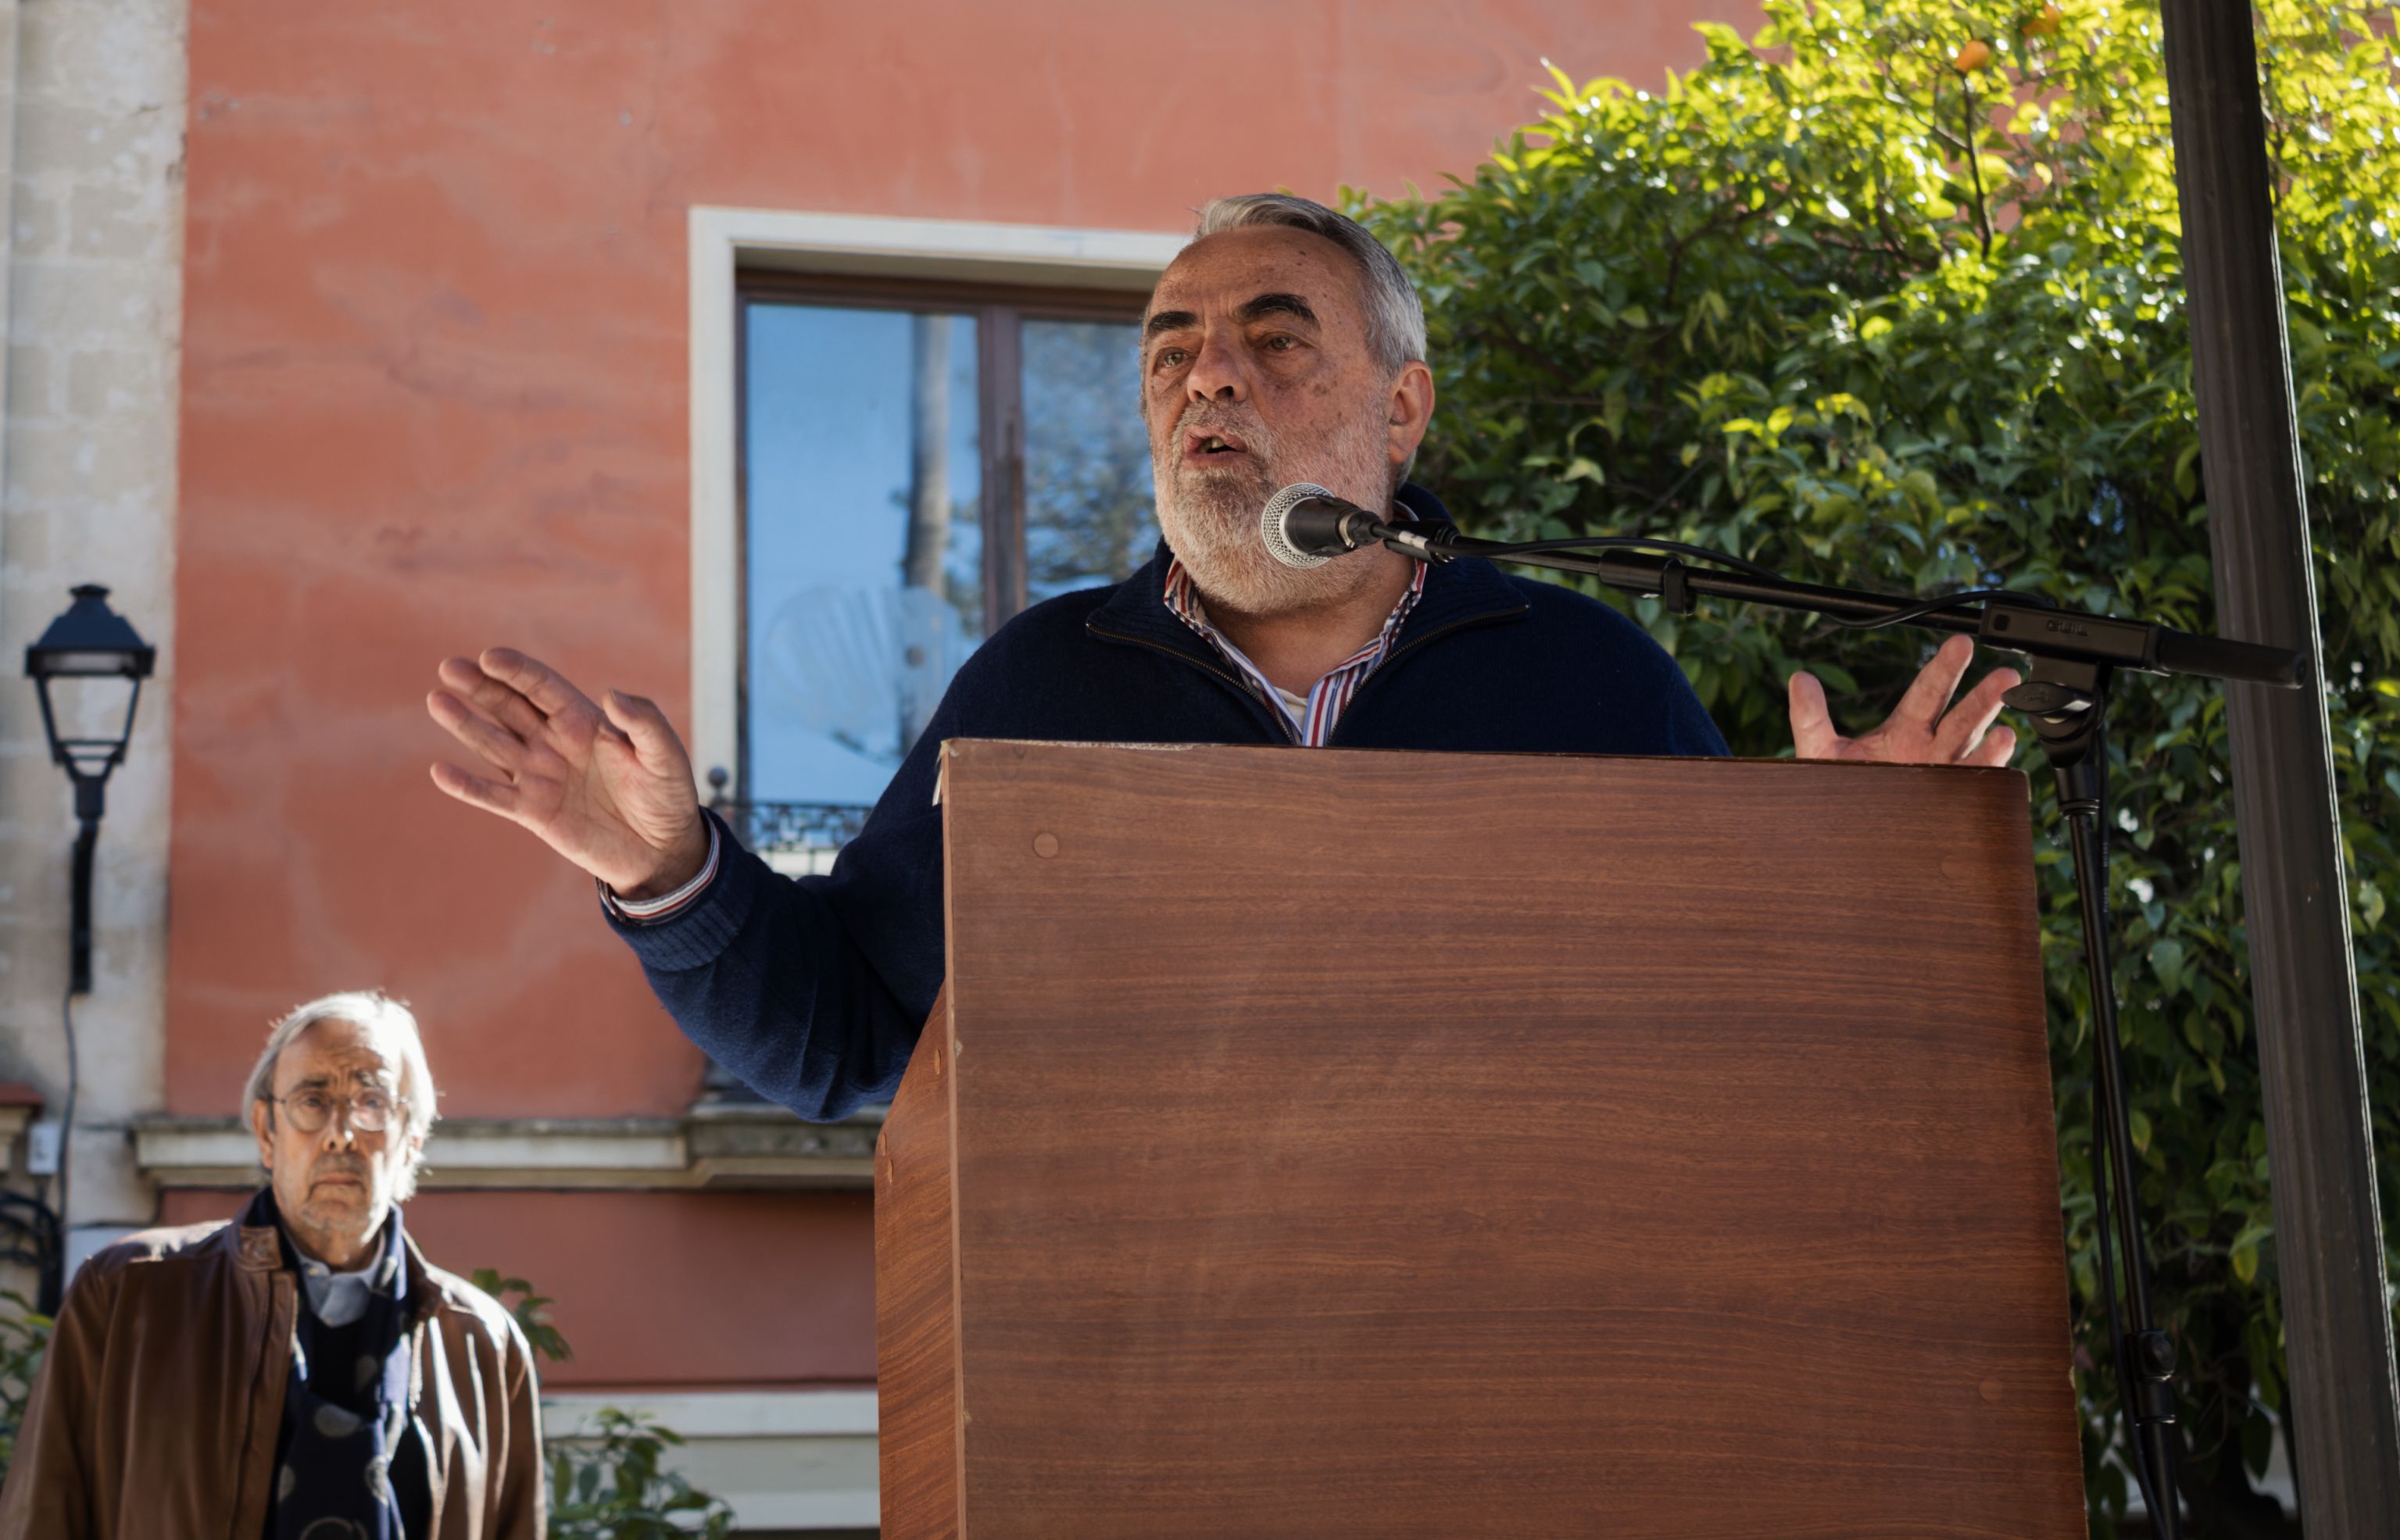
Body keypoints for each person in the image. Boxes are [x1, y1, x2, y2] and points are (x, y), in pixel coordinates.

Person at [426, 194, 2018, 1122]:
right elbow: (851, 1036)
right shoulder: (1041, 685)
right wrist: (673, 872)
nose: (1210, 379)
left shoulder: (1583, 677)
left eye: (1273, 338)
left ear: (1400, 408)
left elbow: (1728, 1040)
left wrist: (1843, 875)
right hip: (1149, 1387)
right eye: (1172, 349)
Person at [0, 991, 545, 1540]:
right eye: (312, 1100)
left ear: (411, 1141)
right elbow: (43, 1517)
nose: (341, 1133)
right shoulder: (129, 1294)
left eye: (372, 1101)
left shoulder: (482, 1344)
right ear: (266, 1132)